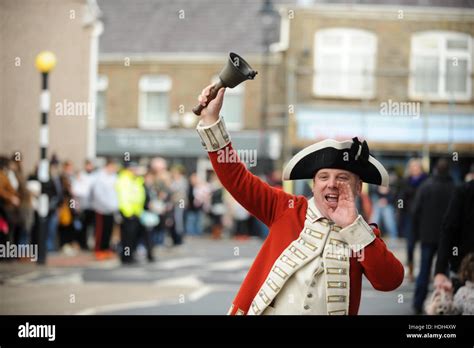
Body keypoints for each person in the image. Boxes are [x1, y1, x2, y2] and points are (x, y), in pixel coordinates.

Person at [195, 85, 404, 315]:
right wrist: (212, 120)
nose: (332, 183)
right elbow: (237, 178)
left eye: (342, 178)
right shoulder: (286, 208)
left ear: (358, 187)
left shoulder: (363, 235)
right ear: (314, 185)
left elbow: (390, 281)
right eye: (323, 177)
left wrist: (353, 227)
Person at [412, 158, 454, 314]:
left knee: (424, 271)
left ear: (435, 169)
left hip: (427, 236)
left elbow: (415, 211)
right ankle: (447, 302)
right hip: (448, 238)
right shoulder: (454, 188)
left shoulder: (425, 186)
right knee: (445, 273)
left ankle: (418, 303)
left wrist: (416, 234)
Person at [434, 165, 474, 294]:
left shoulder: (463, 190)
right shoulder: (463, 191)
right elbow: (448, 229)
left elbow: (448, 229)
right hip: (465, 266)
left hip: (465, 267)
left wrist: (440, 270)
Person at [398, 158, 428, 281]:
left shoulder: (426, 181)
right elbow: (400, 198)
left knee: (425, 246)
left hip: (424, 217)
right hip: (410, 216)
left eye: (416, 167)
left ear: (420, 168)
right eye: (412, 167)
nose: (414, 169)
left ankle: (424, 271)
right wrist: (401, 212)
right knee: (410, 245)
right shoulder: (405, 181)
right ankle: (410, 270)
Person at [90, 158, 119, 260]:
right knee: (100, 231)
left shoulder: (114, 177)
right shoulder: (100, 177)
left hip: (111, 209)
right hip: (101, 209)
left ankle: (106, 249)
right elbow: (98, 194)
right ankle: (98, 250)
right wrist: (107, 204)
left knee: (109, 230)